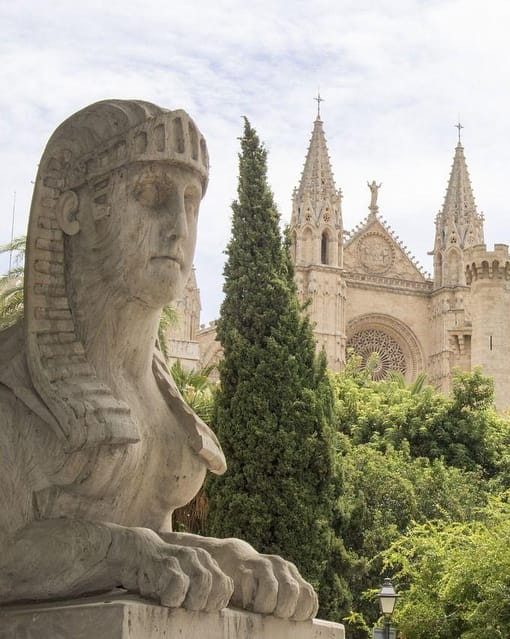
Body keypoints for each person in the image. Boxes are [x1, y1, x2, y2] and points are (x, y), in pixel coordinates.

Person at [0, 100, 317, 621]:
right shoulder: (16, 387)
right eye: (150, 195)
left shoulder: (157, 404)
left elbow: (158, 544)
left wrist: (228, 557)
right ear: (73, 211)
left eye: (191, 201)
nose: (179, 227)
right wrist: (124, 554)